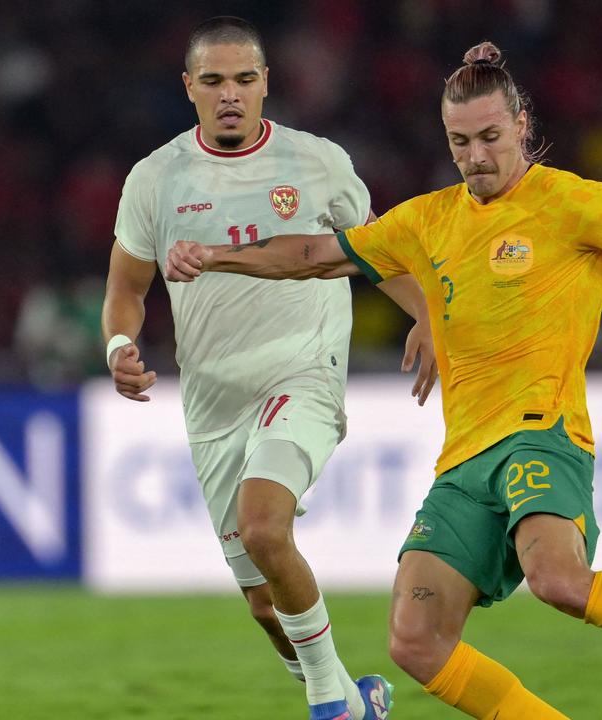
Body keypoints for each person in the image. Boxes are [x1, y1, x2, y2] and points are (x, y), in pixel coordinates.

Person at [164, 41, 602, 720]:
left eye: (490, 138)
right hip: (464, 464)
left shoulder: (576, 203)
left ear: (523, 125)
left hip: (543, 437)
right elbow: (315, 253)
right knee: (414, 643)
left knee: (559, 582)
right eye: (460, 144)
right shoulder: (429, 219)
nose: (476, 157)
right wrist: (216, 255)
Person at [101, 17, 435, 720]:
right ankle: (354, 697)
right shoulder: (155, 180)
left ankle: (328, 708)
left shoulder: (316, 162)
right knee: (261, 601)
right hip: (214, 401)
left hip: (303, 372)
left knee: (263, 526)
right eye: (215, 81)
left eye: (245, 80)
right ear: (189, 88)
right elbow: (127, 291)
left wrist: (428, 314)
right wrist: (118, 348)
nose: (231, 95)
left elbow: (376, 252)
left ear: (265, 86)